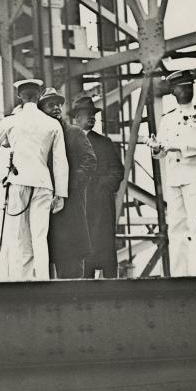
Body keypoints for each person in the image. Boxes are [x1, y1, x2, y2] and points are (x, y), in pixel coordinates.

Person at [0, 79, 69, 280]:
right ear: (39, 96)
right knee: (39, 237)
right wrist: (61, 194)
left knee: (17, 236)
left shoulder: (11, 121)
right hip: (43, 184)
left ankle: (19, 280)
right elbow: (60, 161)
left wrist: (9, 140)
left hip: (18, 182)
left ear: (19, 97)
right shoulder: (52, 124)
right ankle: (42, 279)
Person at [148, 70, 196, 277]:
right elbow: (161, 152)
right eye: (182, 87)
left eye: (189, 86)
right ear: (174, 91)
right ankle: (179, 275)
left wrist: (173, 145)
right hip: (175, 177)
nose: (187, 90)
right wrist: (156, 148)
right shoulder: (168, 119)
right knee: (176, 228)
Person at [38, 88, 96, 279]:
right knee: (44, 255)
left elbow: (90, 161)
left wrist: (68, 187)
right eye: (50, 105)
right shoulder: (38, 136)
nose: (56, 108)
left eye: (58, 104)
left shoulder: (74, 133)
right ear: (40, 110)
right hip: (44, 204)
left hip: (70, 206)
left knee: (71, 257)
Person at [70, 96, 124, 278]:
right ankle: (84, 290)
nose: (92, 118)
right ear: (77, 118)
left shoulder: (104, 143)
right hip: (78, 203)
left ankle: (112, 290)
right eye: (87, 114)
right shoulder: (67, 143)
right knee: (82, 247)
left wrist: (103, 186)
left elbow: (118, 171)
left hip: (101, 203)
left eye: (93, 115)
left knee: (105, 245)